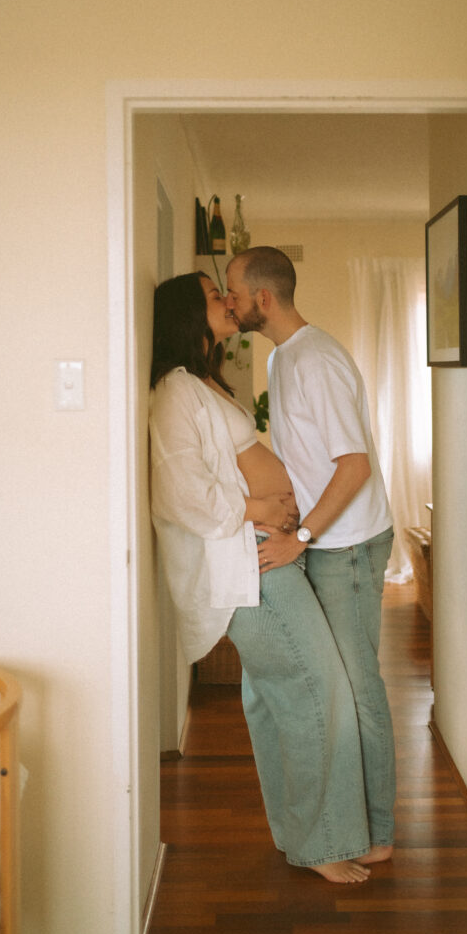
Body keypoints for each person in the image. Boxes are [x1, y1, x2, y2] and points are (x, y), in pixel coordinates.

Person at [149, 271, 374, 883]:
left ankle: (300, 832)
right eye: (212, 293)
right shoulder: (174, 392)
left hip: (262, 550)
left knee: (280, 699)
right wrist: (262, 511)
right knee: (314, 693)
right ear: (186, 316)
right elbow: (179, 494)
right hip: (250, 558)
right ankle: (322, 843)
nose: (227, 300)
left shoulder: (200, 383)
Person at [226, 248, 396, 864]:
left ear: (262, 299)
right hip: (329, 540)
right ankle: (356, 825)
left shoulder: (315, 360)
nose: (230, 301)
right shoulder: (284, 357)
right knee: (340, 687)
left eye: (233, 292)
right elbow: (310, 456)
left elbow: (354, 466)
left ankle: (378, 834)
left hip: (347, 547)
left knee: (358, 688)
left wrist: (303, 537)